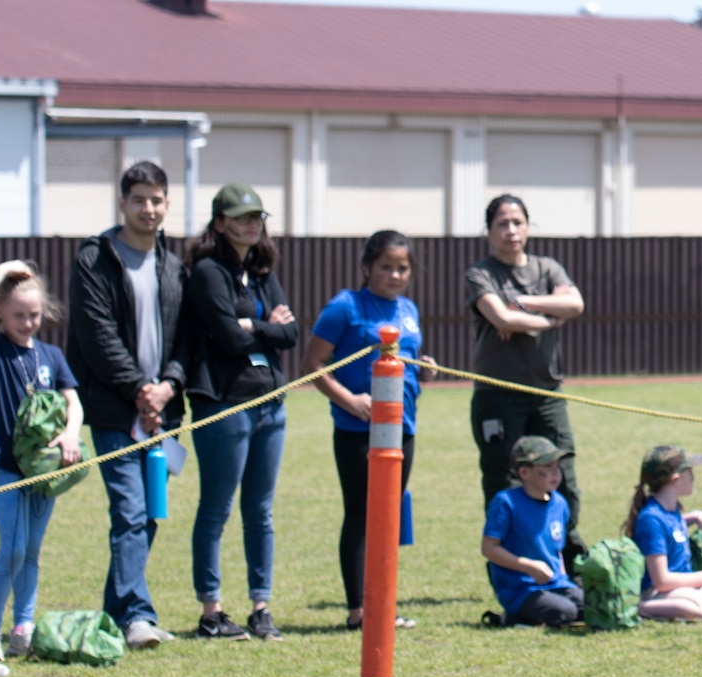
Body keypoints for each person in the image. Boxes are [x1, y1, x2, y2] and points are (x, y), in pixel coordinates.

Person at [65, 159, 190, 651]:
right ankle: (138, 613)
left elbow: (187, 338)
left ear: (167, 204)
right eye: (138, 198)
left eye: (156, 199)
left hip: (163, 413)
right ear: (122, 203)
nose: (148, 208)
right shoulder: (95, 259)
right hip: (116, 409)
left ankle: (116, 615)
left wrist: (168, 385)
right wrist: (140, 389)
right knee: (130, 509)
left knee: (149, 512)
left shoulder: (174, 266)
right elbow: (97, 336)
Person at [180, 184, 298, 641]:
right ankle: (212, 611)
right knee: (216, 509)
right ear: (221, 221)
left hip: (271, 403)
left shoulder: (263, 272)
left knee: (261, 511)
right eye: (242, 216)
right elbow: (228, 338)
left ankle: (260, 607)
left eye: (258, 216)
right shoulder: (208, 272)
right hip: (225, 403)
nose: (253, 223)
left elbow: (291, 336)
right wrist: (266, 329)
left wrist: (256, 326)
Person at [304, 230, 438, 630]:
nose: (394, 276)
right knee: (363, 514)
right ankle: (359, 610)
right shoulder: (345, 307)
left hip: (403, 427)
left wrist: (424, 369)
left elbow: (407, 361)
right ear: (367, 267)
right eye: (385, 267)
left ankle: (382, 604)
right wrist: (351, 402)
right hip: (357, 429)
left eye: (402, 268)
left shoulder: (408, 309)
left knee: (389, 516)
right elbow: (313, 365)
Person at [0, 261, 82, 661]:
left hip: (45, 469)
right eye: (18, 315)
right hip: (6, 465)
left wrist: (70, 433)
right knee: (12, 549)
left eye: (34, 315)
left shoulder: (50, 355)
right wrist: (7, 269)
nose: (27, 322)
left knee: (32, 550)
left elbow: (73, 403)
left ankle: (23, 627)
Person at [466, 194, 585, 568]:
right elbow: (501, 319)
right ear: (489, 231)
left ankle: (568, 559)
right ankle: (511, 566)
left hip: (547, 393)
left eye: (517, 222)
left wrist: (525, 303)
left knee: (561, 475)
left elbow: (576, 305)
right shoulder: (480, 274)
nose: (511, 230)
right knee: (504, 482)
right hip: (497, 397)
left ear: (528, 227)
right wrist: (550, 315)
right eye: (502, 223)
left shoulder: (547, 267)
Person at [627, 445, 702, 622]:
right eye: (689, 470)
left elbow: (670, 528)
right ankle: (638, 608)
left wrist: (696, 516)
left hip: (683, 586)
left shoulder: (670, 509)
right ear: (675, 479)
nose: (693, 476)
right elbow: (661, 580)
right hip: (657, 591)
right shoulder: (651, 519)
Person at [481, 437, 582, 626]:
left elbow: (556, 547)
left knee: (590, 607)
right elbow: (489, 548)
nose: (555, 473)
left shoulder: (559, 503)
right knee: (565, 612)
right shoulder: (506, 502)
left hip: (556, 583)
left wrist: (562, 577)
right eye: (547, 468)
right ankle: (510, 619)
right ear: (524, 472)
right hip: (521, 588)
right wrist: (529, 567)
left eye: (557, 466)